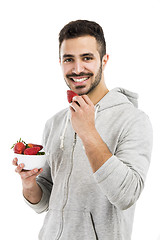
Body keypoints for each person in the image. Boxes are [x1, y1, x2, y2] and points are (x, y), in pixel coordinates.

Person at [13, 20, 153, 240]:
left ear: (104, 61)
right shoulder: (55, 122)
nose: (77, 69)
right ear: (60, 62)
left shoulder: (133, 120)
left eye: (87, 58)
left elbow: (127, 195)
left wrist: (88, 132)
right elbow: (45, 201)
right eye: (69, 59)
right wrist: (29, 183)